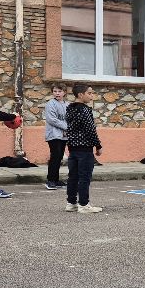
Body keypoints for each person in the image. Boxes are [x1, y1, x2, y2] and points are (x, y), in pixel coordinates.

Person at [65, 83, 104, 213]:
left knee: (73, 177)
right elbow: (90, 130)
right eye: (89, 93)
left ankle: (71, 203)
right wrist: (98, 145)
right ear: (81, 95)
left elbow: (69, 129)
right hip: (84, 149)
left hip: (73, 148)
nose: (92, 96)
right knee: (84, 177)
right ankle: (83, 204)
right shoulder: (85, 110)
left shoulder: (69, 109)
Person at [43, 84, 69, 190]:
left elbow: (68, 118)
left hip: (63, 136)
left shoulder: (67, 104)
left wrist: (67, 130)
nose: (57, 93)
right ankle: (50, 180)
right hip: (53, 135)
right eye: (55, 91)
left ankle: (56, 179)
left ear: (64, 92)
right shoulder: (51, 104)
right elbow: (52, 119)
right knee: (55, 156)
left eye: (59, 91)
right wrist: (67, 127)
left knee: (59, 157)